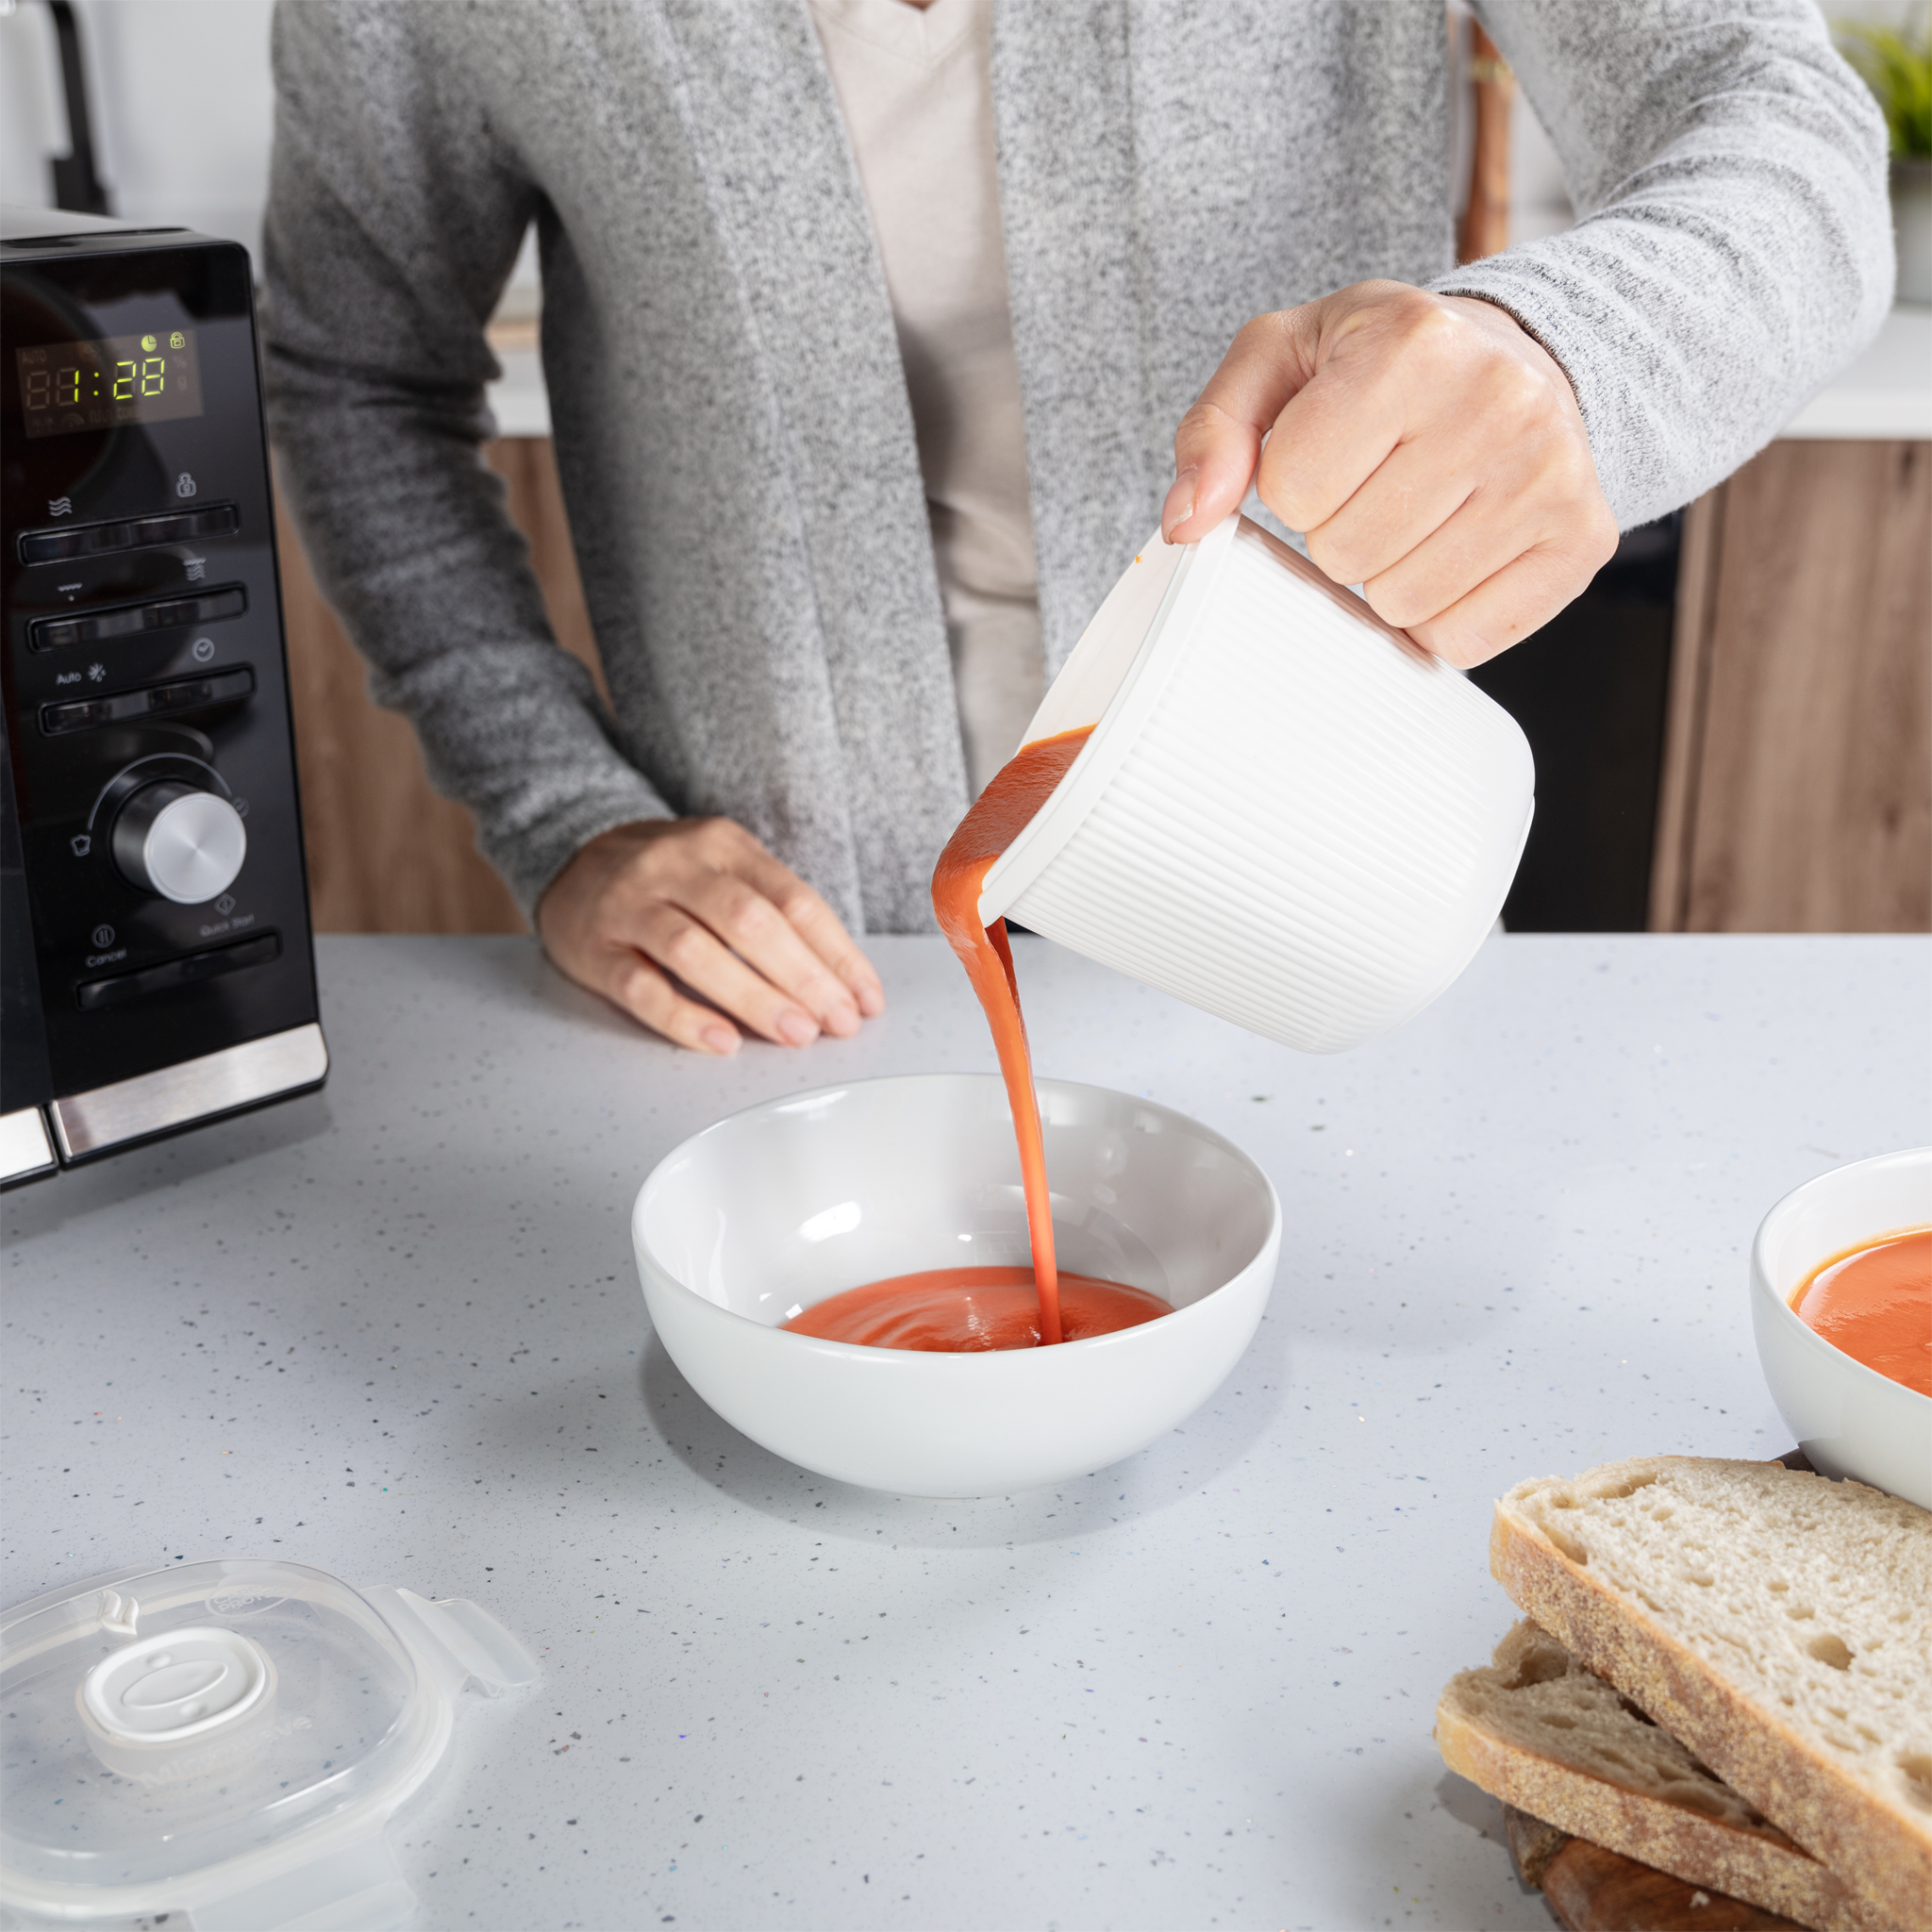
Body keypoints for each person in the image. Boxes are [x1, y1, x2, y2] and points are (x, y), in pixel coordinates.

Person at [263, 0, 1890, 1055]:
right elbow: (354, 374)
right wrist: (561, 810)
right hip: (795, 998)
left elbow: (1774, 117)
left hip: (1332, 908)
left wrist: (1572, 352)